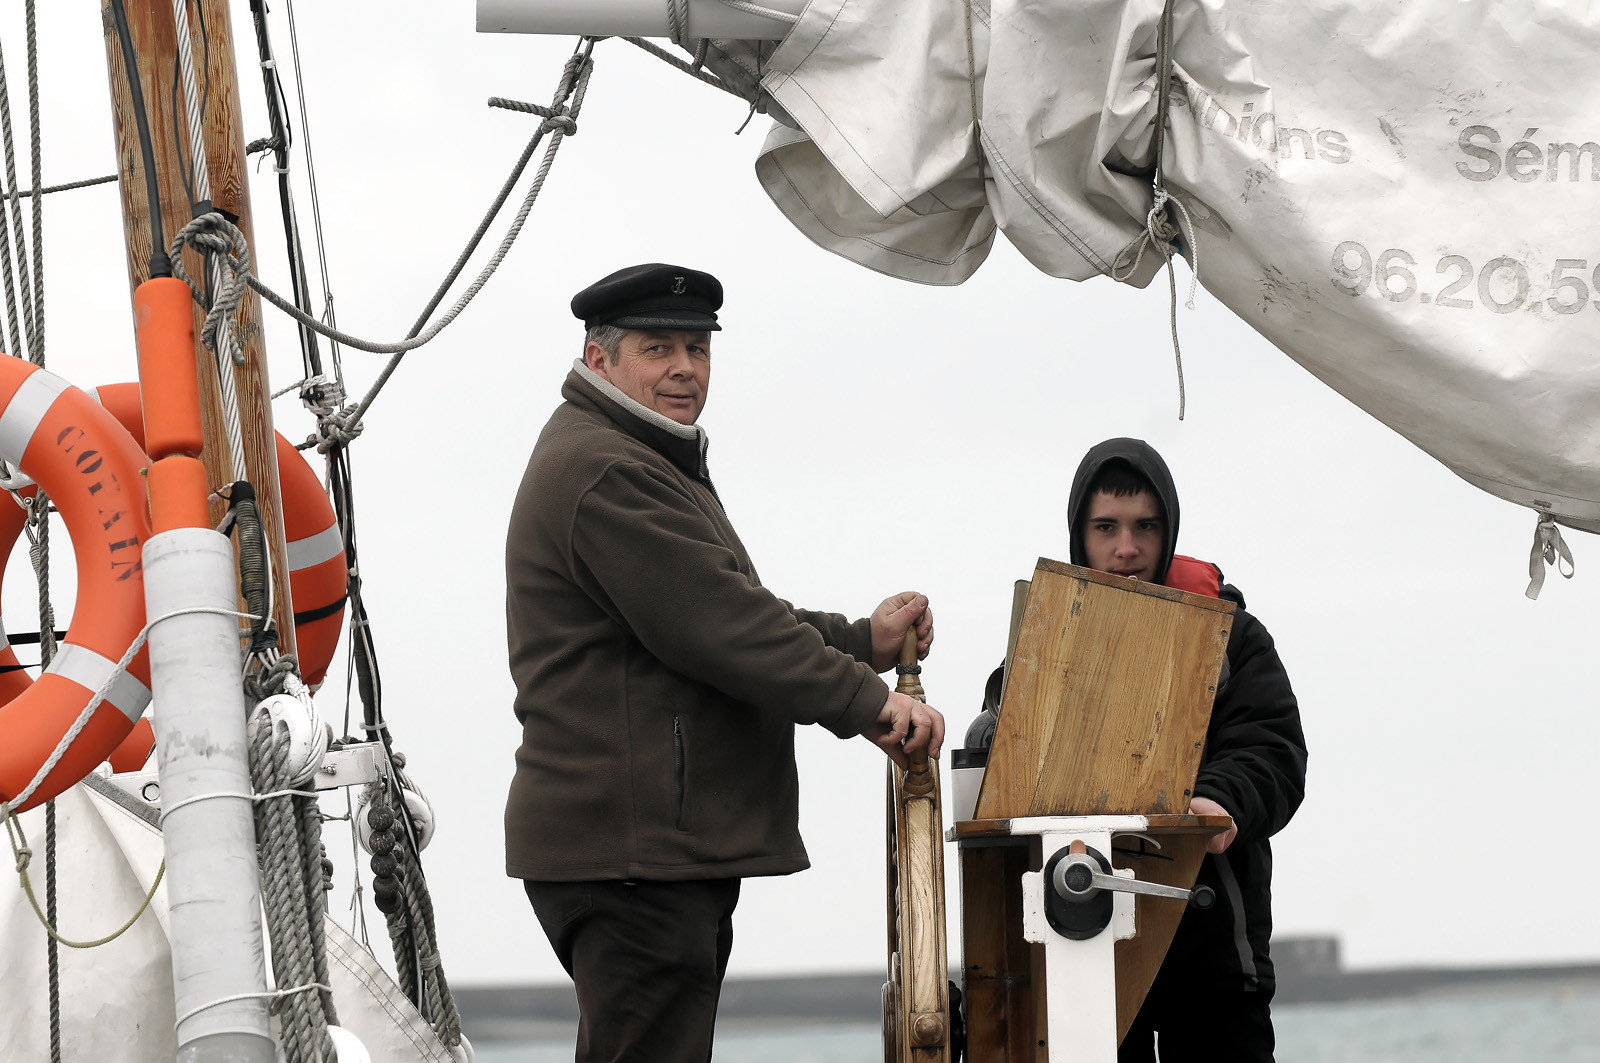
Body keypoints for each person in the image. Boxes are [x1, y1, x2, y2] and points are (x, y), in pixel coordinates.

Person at [504, 262, 945, 1063]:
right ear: (599, 359)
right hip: (635, 855)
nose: (685, 367)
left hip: (644, 850)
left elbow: (728, 606)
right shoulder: (608, 468)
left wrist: (860, 640)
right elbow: (723, 627)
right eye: (658, 347)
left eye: (698, 348)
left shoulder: (639, 455)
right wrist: (871, 704)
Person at [976, 437, 1307, 1062]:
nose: (1126, 548)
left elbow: (1274, 751)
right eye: (1106, 527)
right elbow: (996, 747)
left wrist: (1219, 800)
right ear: (1080, 536)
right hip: (1080, 957)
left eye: (1144, 528)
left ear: (1168, 532)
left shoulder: (1235, 641)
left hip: (1210, 950)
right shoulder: (1038, 648)